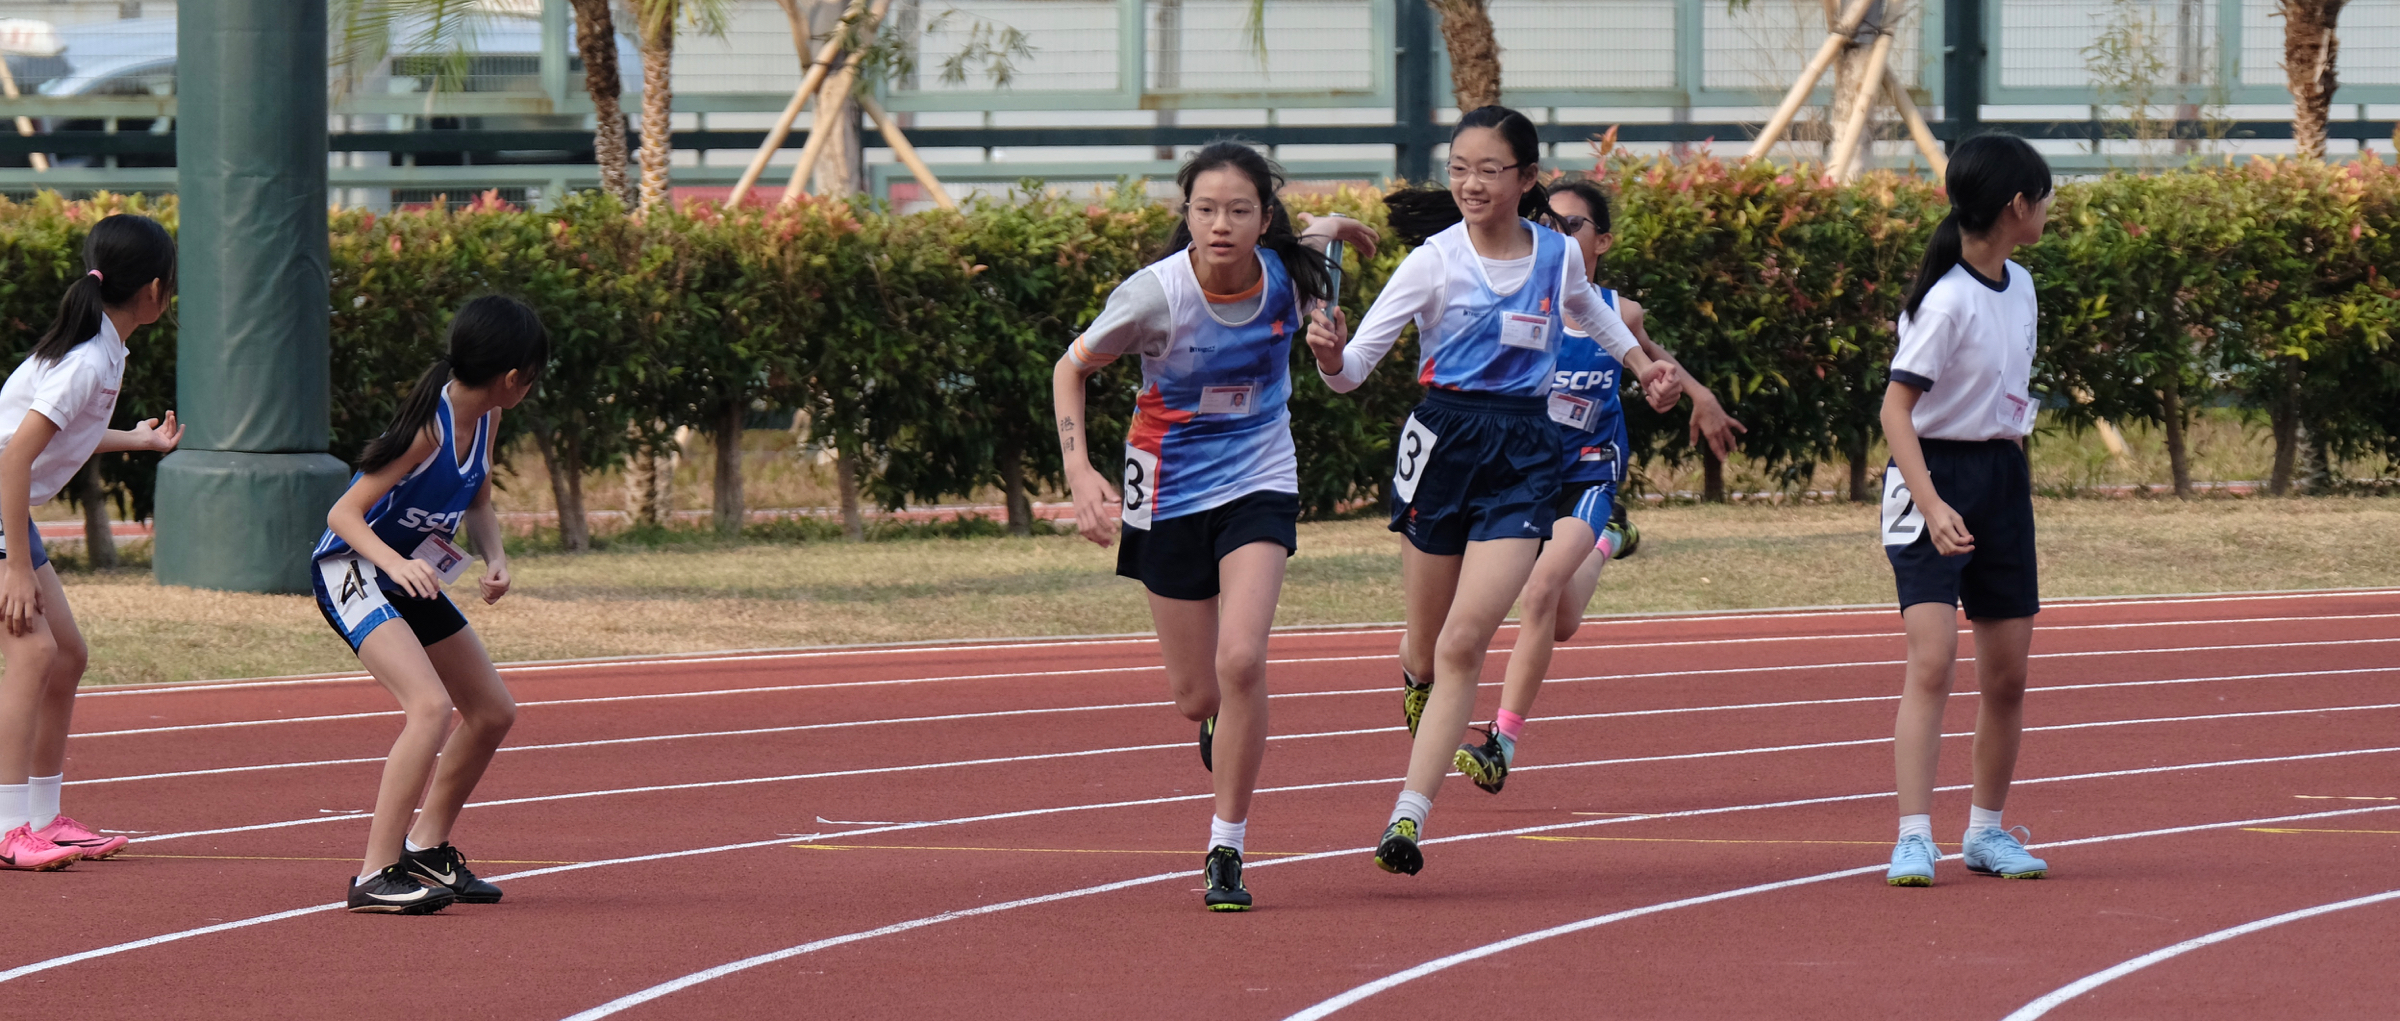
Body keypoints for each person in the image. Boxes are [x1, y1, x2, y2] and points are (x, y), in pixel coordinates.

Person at [1309, 105, 1677, 876]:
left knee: (1464, 641)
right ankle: (1413, 679)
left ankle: (1406, 820)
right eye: (1460, 169)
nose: (1472, 184)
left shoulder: (1554, 254)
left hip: (1523, 450)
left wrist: (1644, 367)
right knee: (1424, 645)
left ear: (1527, 178)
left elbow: (1588, 313)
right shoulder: (1433, 262)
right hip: (1444, 444)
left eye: (1489, 170)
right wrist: (1328, 353)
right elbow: (1350, 377)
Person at [1052, 141, 1374, 911]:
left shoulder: (1295, 278)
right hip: (1166, 488)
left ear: (1263, 218)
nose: (1220, 225)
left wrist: (1330, 351)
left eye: (1238, 211)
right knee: (1198, 696)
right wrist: (1080, 471)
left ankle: (1225, 846)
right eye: (1205, 210)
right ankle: (1218, 726)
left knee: (1242, 660)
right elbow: (1071, 368)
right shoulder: (1153, 296)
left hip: (1259, 477)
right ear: (1187, 214)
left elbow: (1335, 372)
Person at [1452, 179, 1746, 794]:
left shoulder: (1620, 310)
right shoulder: (1519, 301)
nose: (1559, 235)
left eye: (1575, 225)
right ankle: (1609, 541)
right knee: (1559, 620)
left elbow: (1649, 357)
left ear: (1602, 241)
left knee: (1536, 594)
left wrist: (1691, 394)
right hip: (1526, 473)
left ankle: (1500, 743)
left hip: (1588, 470)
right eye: (1548, 224)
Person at [314, 295, 545, 913]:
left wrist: (494, 556)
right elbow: (343, 513)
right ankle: (373, 876)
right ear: (514, 377)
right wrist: (394, 563)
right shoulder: (426, 429)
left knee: (492, 712)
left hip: (409, 576)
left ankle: (426, 849)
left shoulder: (487, 418)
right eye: (535, 375)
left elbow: (478, 498)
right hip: (353, 570)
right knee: (429, 706)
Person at [1878, 134, 2053, 887]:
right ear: (2017, 205)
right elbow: (1894, 410)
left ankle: (1985, 831)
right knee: (1934, 659)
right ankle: (1913, 835)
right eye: (2043, 197)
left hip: (2001, 475)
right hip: (1932, 475)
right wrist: (1932, 501)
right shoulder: (1946, 299)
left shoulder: (2021, 285)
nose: (2048, 210)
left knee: (2007, 676)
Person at [0, 214, 181, 872]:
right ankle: (8, 825)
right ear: (155, 291)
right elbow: (13, 459)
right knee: (33, 650)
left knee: (67, 653)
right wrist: (16, 570)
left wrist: (139, 439)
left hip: (9, 507)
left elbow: (57, 438)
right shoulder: (86, 358)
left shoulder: (102, 346)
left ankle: (44, 817)